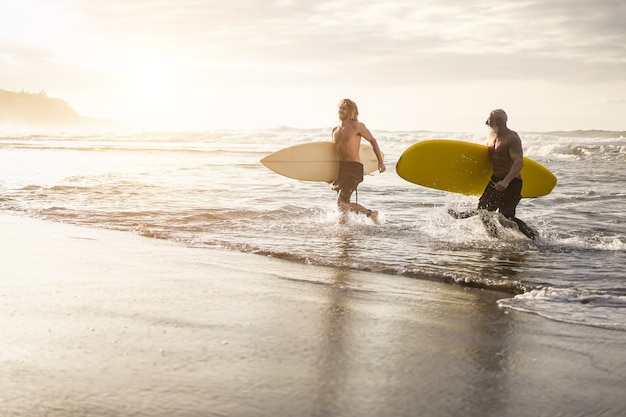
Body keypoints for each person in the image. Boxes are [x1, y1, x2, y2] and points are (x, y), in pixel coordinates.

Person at [449, 109, 537, 239]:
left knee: (506, 218)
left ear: (498, 121)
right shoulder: (492, 138)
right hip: (495, 180)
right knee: (483, 213)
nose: (486, 122)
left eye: (489, 119)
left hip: (512, 182)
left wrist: (506, 181)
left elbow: (519, 163)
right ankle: (495, 239)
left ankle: (535, 238)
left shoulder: (511, 138)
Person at [331, 99, 386, 223]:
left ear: (351, 111)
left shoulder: (357, 126)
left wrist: (380, 162)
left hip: (353, 168)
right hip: (341, 169)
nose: (340, 110)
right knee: (343, 203)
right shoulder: (335, 130)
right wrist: (330, 174)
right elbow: (335, 154)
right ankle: (344, 229)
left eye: (343, 108)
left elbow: (372, 140)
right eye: (339, 108)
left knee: (341, 203)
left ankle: (370, 214)